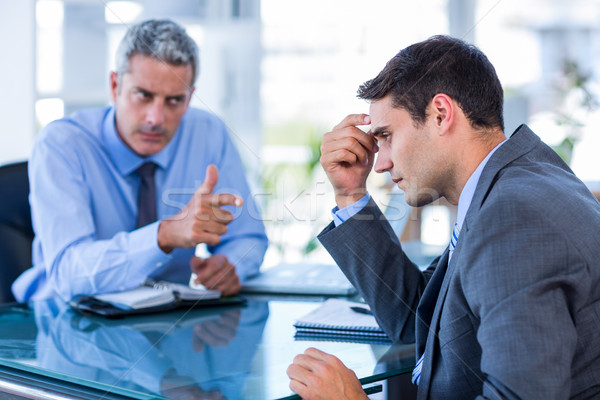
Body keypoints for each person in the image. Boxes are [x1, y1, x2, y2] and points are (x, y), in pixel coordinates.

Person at [287, 35, 600, 399]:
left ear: (440, 114)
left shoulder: (514, 218)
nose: (381, 163)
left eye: (386, 135)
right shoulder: (511, 184)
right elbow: (417, 315)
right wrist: (350, 193)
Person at [12, 19, 268, 302]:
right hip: (64, 318)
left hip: (165, 324)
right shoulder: (61, 144)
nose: (155, 119)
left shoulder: (208, 133)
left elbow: (249, 238)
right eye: (143, 95)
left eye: (174, 100)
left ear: (190, 97)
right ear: (114, 85)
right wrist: (164, 235)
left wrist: (230, 266)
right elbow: (69, 273)